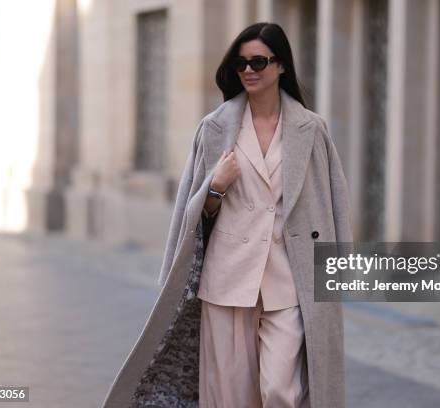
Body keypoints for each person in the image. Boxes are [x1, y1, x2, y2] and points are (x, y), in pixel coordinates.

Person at [101, 22, 352, 408]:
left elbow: (334, 204)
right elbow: (192, 214)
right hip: (227, 280)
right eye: (240, 63)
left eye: (258, 61)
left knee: (282, 391)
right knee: (230, 399)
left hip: (288, 280)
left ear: (281, 65)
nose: (248, 70)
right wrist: (216, 185)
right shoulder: (215, 127)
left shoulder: (311, 130)